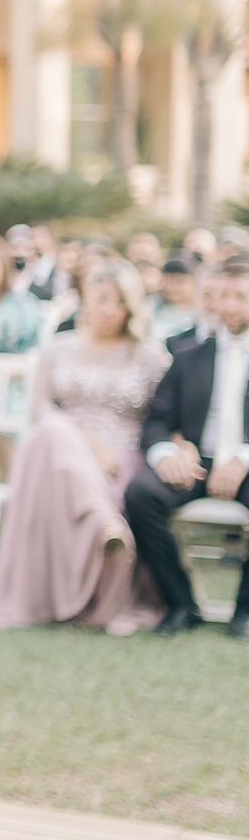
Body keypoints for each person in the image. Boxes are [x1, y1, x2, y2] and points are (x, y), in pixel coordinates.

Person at [0, 258, 168, 634]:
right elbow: (41, 408)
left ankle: (105, 532)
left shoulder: (150, 355)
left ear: (132, 306)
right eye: (102, 299)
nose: (110, 309)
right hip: (64, 448)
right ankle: (103, 523)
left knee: (56, 444)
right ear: (85, 299)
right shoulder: (59, 348)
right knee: (52, 433)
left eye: (119, 301)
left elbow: (162, 416)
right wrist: (86, 439)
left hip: (121, 454)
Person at [124, 254, 249, 636]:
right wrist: (168, 454)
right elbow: (158, 420)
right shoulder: (188, 355)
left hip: (244, 465)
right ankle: (181, 603)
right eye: (222, 295)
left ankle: (244, 613)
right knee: (141, 495)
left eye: (241, 296)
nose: (228, 306)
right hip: (195, 462)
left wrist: (242, 459)